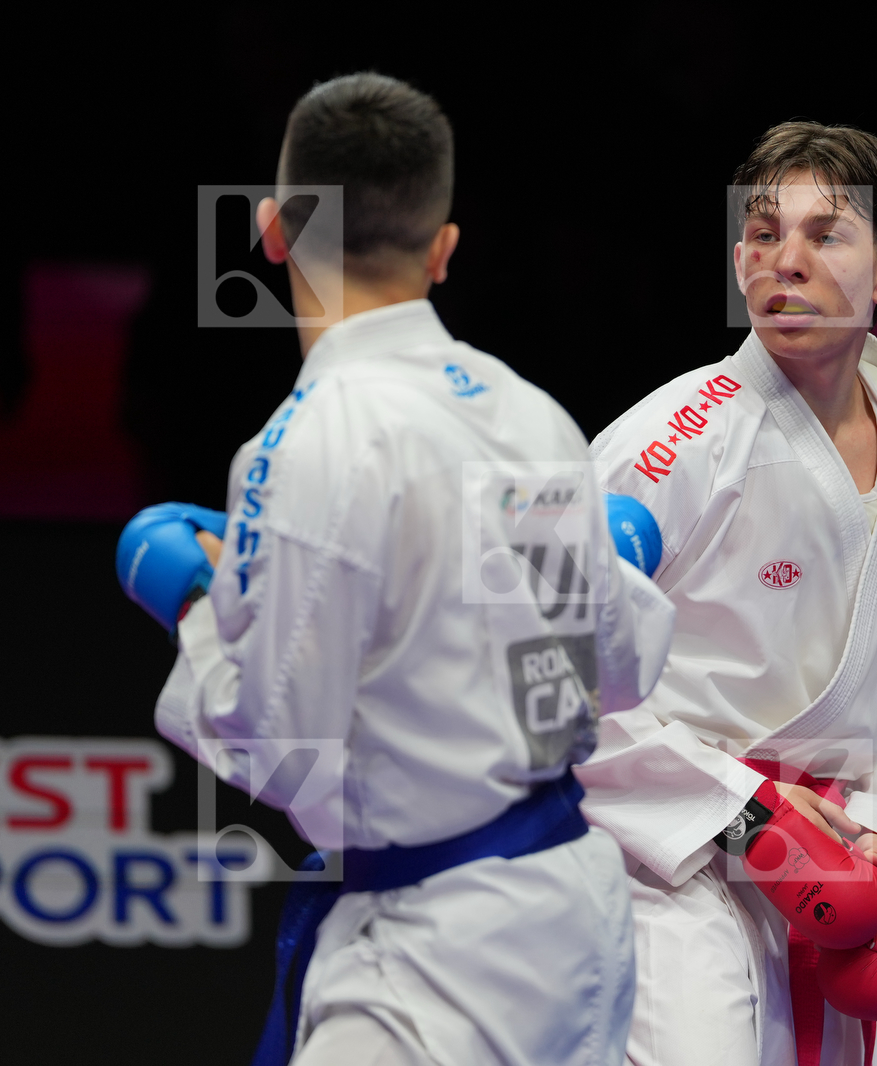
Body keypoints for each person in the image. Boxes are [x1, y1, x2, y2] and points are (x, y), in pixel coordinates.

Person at [145, 73, 673, 1066]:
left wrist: (197, 605)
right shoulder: (531, 413)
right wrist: (621, 569)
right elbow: (606, 674)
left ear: (271, 229)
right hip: (570, 921)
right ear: (443, 249)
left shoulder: (304, 444)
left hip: (435, 962)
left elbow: (284, 748)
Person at [578, 122, 877, 1065]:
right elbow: (554, 678)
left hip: (850, 856)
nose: (786, 260)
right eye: (764, 234)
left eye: (824, 234)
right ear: (737, 259)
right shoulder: (669, 446)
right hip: (678, 855)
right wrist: (745, 813)